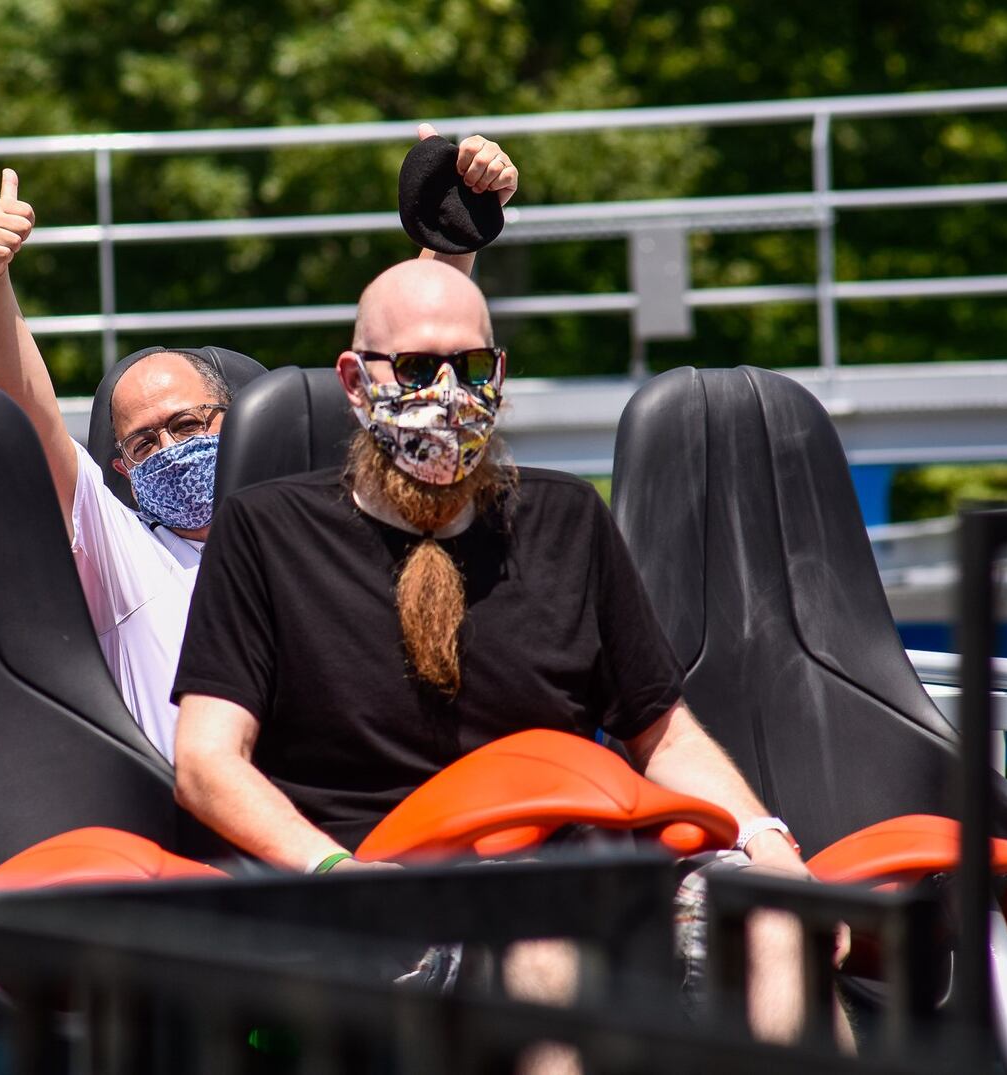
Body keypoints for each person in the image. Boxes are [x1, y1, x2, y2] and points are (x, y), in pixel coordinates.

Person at [171, 258, 847, 1048]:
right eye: (419, 368)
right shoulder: (264, 531)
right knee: (544, 936)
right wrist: (334, 871)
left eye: (473, 367)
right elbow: (206, 763)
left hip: (579, 858)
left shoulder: (568, 518)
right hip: (382, 878)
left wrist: (769, 844)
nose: (449, 394)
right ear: (355, 383)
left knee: (778, 922)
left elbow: (664, 732)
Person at [0, 127, 519, 759]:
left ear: (237, 420)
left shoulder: (321, 523)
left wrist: (450, 219)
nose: (171, 447)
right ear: (119, 465)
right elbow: (28, 411)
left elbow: (413, 369)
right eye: (143, 442)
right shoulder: (121, 555)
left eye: (189, 422)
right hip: (192, 841)